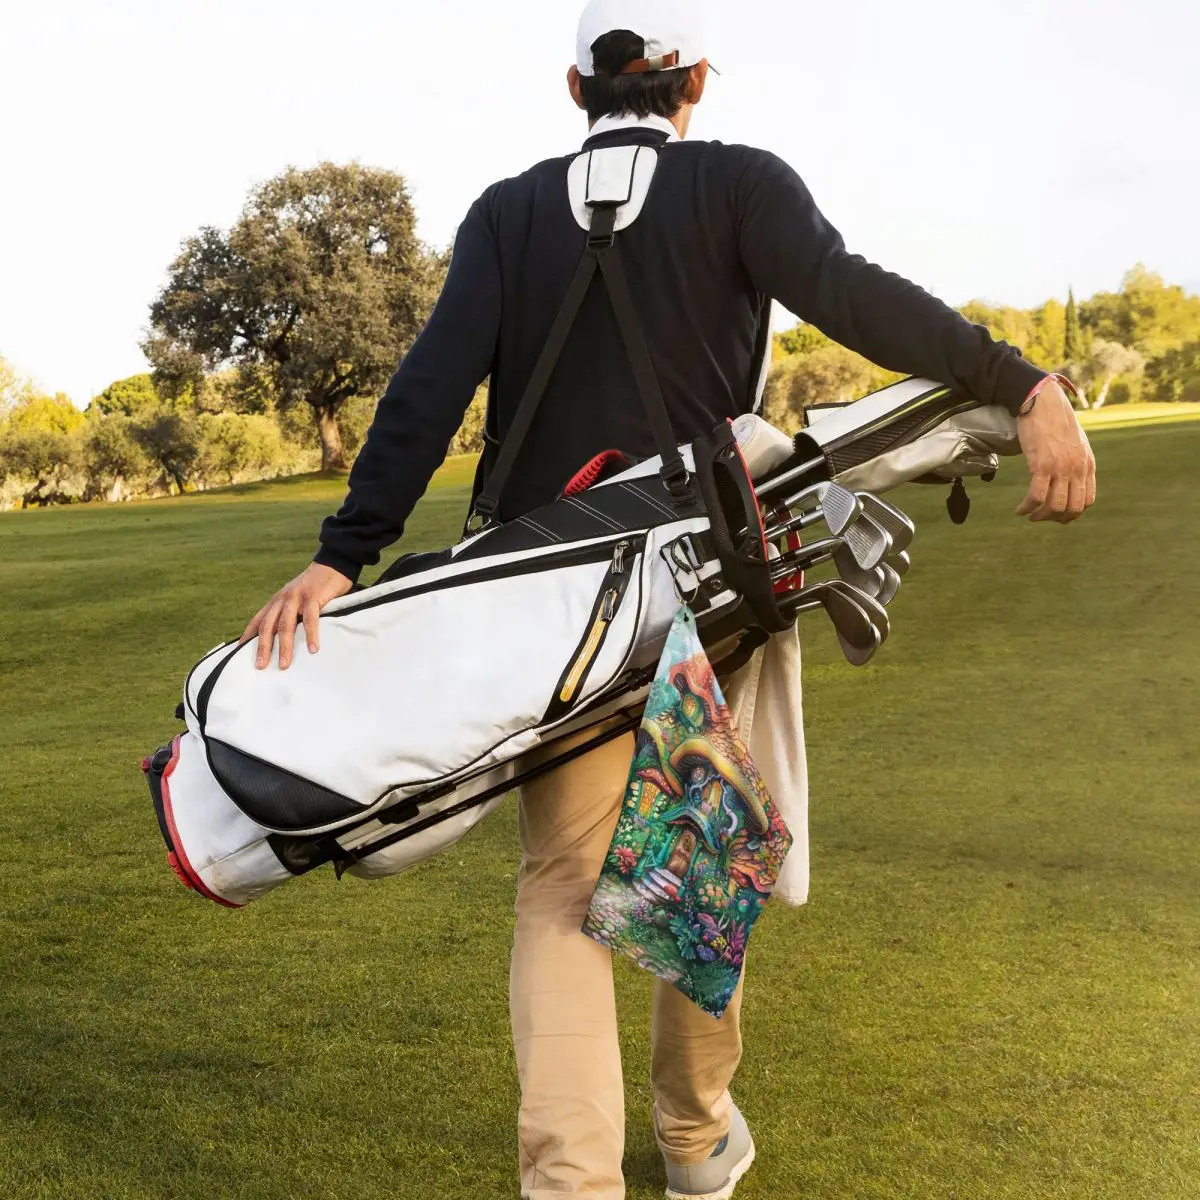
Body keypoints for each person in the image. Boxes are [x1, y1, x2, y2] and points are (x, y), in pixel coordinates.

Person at [242, 2, 1097, 1195]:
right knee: (696, 861)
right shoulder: (739, 183)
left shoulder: (506, 211)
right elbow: (853, 296)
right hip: (703, 581)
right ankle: (695, 1141)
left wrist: (347, 552)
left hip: (546, 610)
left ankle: (573, 1182)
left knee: (562, 893)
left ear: (574, 89)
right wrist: (1024, 381)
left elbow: (429, 387)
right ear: (693, 82)